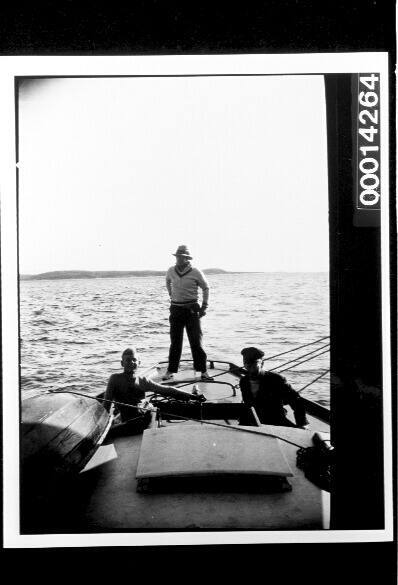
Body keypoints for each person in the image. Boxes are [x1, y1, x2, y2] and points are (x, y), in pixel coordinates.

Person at [105, 347, 204, 433]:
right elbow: (106, 406)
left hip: (142, 418)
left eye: (134, 359)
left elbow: (167, 390)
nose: (131, 362)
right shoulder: (114, 379)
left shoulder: (143, 381)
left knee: (112, 432)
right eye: (127, 360)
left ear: (139, 363)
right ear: (122, 363)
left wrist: (193, 397)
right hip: (127, 419)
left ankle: (193, 394)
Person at [162, 245, 213, 382]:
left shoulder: (195, 271)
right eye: (177, 256)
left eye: (181, 257)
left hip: (191, 310)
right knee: (175, 342)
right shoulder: (171, 270)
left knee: (196, 341)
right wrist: (171, 295)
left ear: (187, 258)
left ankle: (203, 371)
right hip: (176, 310)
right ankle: (171, 371)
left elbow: (206, 287)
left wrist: (204, 306)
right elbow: (167, 282)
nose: (178, 259)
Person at [239, 346, 309, 428]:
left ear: (262, 363)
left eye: (254, 364)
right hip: (253, 421)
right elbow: (248, 404)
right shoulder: (244, 381)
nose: (251, 369)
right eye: (247, 365)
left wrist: (302, 423)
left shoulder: (276, 379)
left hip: (275, 421)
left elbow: (296, 400)